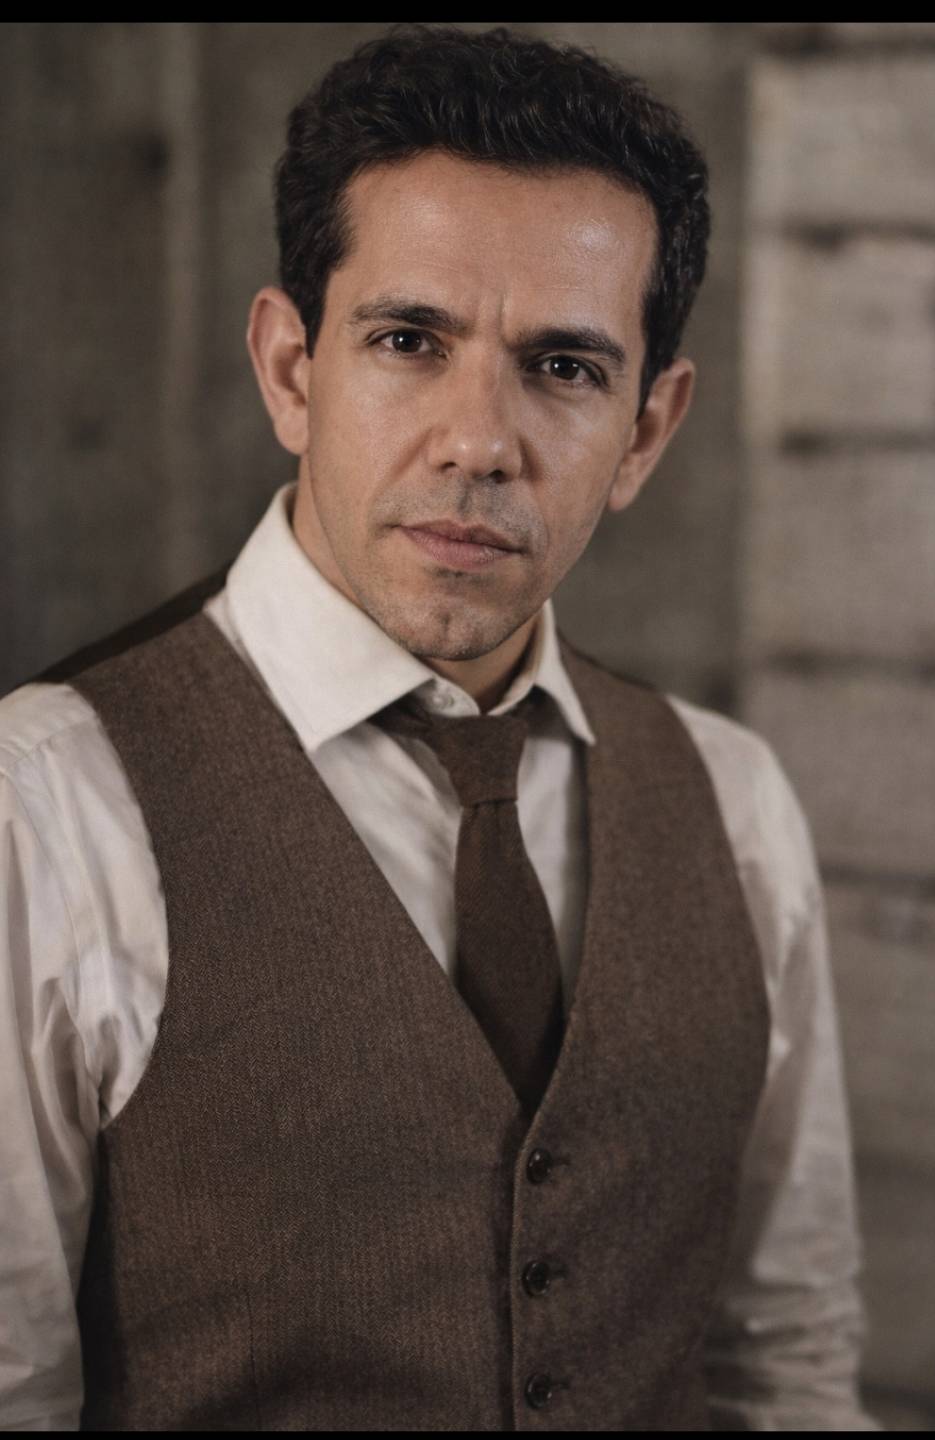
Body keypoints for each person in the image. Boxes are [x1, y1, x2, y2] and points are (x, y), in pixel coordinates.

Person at [0, 23, 878, 1432]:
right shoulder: (45, 804)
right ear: (291, 371)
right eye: (409, 342)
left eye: (565, 367)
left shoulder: (734, 801)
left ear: (648, 431)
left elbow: (787, 1367)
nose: (480, 441)